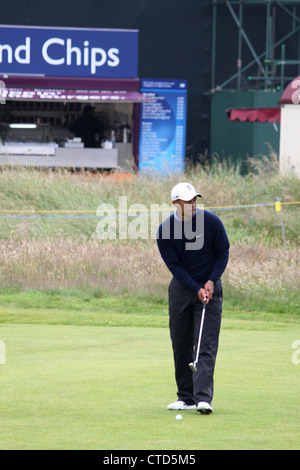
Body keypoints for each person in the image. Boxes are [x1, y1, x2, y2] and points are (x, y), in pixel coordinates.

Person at [156, 182, 229, 414]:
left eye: (195, 199)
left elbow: (222, 252)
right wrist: (194, 287)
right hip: (181, 290)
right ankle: (185, 397)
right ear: (176, 204)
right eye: (188, 201)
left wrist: (210, 281)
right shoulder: (165, 230)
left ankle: (203, 398)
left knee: (205, 344)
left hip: (209, 289)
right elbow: (174, 266)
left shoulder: (212, 222)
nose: (193, 204)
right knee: (181, 343)